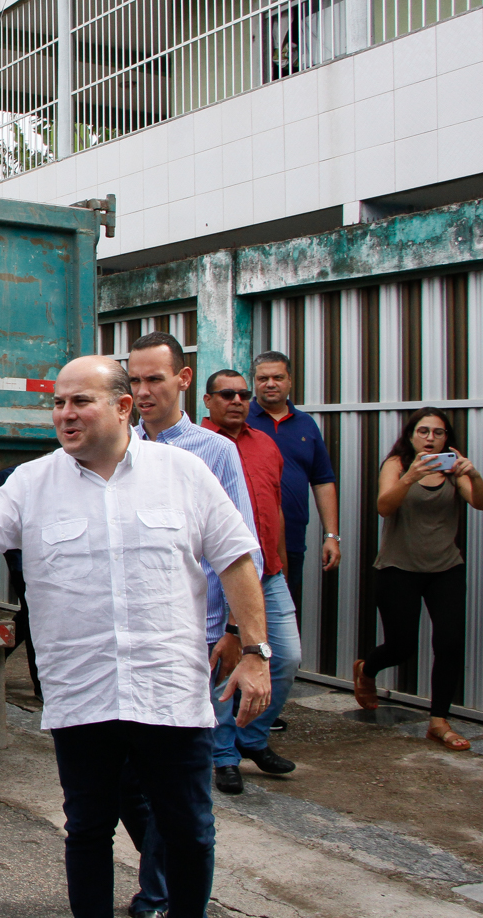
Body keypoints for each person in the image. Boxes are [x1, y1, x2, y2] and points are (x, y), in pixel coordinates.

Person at [0, 354, 271, 918]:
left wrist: (255, 653)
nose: (64, 414)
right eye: (57, 403)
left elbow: (237, 560)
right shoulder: (32, 483)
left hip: (169, 693)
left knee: (190, 832)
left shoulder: (184, 474)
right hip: (83, 696)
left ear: (123, 407)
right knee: (88, 832)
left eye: (80, 401)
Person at [119, 332, 264, 918]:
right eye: (134, 380)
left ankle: (160, 894)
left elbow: (236, 551)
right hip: (128, 637)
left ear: (184, 380)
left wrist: (236, 633)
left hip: (194, 638)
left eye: (155, 379)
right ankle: (169, 866)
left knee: (175, 779)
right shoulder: (114, 444)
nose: (143, 391)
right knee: (127, 779)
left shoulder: (214, 453)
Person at [355, 408, 483, 752]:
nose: (431, 438)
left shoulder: (451, 468)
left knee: (449, 643)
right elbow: (384, 507)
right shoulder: (398, 465)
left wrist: (473, 475)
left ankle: (438, 721)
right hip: (398, 568)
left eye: (438, 433)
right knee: (401, 647)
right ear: (411, 435)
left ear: (447, 438)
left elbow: (481, 503)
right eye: (423, 431)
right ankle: (367, 669)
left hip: (445, 568)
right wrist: (409, 477)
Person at [201, 370, 301, 779]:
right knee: (225, 663)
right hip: (223, 576)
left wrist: (281, 566)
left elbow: (273, 509)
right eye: (227, 394)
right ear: (207, 400)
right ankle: (222, 754)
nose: (238, 401)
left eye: (244, 394)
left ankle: (252, 738)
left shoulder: (266, 445)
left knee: (286, 657)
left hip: (269, 575)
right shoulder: (200, 448)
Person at [247, 350, 340, 624]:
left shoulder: (306, 425)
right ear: (255, 382)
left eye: (277, 377)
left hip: (292, 545)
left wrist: (332, 535)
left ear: (289, 381)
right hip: (248, 541)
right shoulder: (241, 421)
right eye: (263, 378)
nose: (270, 384)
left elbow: (322, 481)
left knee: (282, 620)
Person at [0, 466, 40, 700]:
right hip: (22, 563)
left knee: (29, 616)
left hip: (45, 562)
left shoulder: (53, 468)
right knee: (35, 618)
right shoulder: (5, 475)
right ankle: (41, 686)